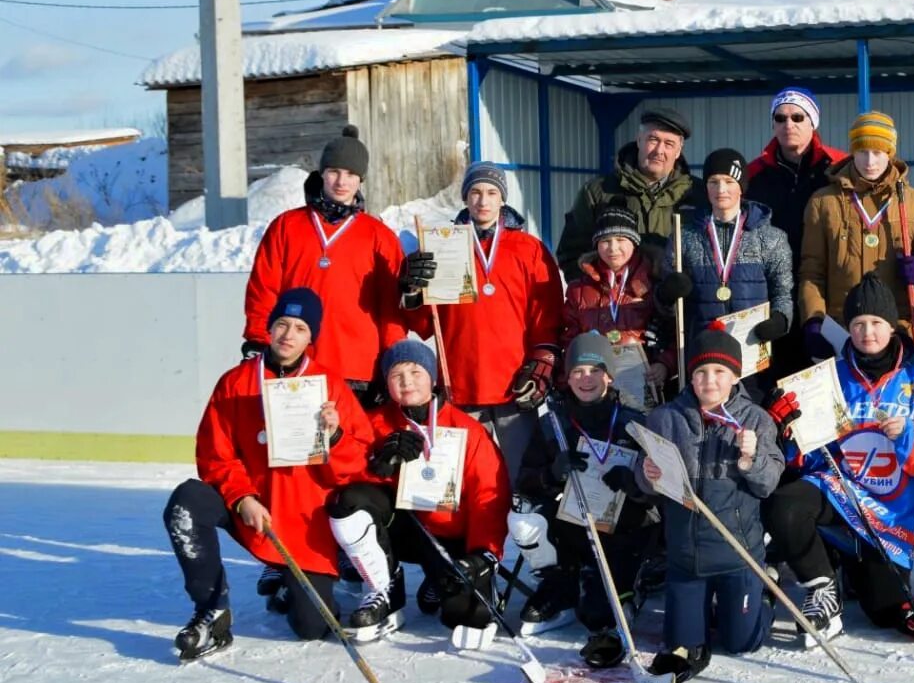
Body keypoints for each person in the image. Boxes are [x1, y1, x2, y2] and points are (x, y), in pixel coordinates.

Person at [162, 288, 374, 659]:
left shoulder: (330, 386)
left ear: (312, 337)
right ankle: (211, 611)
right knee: (187, 502)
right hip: (254, 512)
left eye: (300, 328)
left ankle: (288, 579)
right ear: (269, 328)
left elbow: (360, 464)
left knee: (312, 629)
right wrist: (242, 497)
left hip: (304, 524)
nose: (288, 335)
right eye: (281, 324)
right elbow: (214, 455)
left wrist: (336, 436)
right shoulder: (235, 382)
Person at [762, 274, 914, 646]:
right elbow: (800, 457)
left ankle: (857, 573)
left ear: (892, 325)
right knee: (786, 506)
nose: (868, 332)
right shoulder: (826, 377)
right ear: (847, 328)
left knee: (884, 610)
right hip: (839, 492)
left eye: (876, 323)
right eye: (858, 324)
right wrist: (786, 430)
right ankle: (822, 589)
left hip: (889, 517)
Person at [327, 339, 511, 641]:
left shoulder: (465, 428)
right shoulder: (375, 423)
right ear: (387, 384)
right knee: (352, 501)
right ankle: (384, 591)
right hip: (407, 528)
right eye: (396, 375)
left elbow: (489, 493)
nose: (407, 381)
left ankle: (440, 578)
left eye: (415, 372)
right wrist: (377, 464)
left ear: (433, 378)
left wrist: (483, 554)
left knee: (468, 617)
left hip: (451, 535)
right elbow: (342, 475)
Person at [636, 325, 783, 683]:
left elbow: (768, 485)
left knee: (741, 643)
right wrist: (647, 473)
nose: (709, 381)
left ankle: (761, 594)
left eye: (720, 372)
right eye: (701, 372)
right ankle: (701, 609)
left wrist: (751, 459)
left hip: (738, 555)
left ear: (735, 376)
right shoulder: (666, 418)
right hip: (686, 558)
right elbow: (642, 485)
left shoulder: (755, 420)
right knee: (681, 643)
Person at [399, 161, 563, 481]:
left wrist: (542, 359)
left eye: (491, 193)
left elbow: (547, 313)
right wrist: (413, 288)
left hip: (514, 384)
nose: (483, 201)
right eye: (475, 192)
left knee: (524, 477)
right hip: (460, 382)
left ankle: (525, 530)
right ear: (465, 198)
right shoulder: (441, 245)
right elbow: (421, 323)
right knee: (470, 479)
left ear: (502, 199)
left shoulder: (529, 249)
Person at [510, 332, 658, 666]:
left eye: (594, 370)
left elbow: (659, 491)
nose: (585, 379)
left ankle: (622, 598)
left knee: (594, 613)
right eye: (577, 371)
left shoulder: (634, 420)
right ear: (567, 376)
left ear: (609, 374)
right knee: (525, 520)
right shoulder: (555, 423)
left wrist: (634, 483)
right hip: (576, 524)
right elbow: (526, 481)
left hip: (624, 529)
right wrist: (552, 472)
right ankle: (560, 586)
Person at [242, 126, 406, 399]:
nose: (342, 181)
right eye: (334, 172)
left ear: (360, 181)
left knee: (353, 441)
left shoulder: (379, 235)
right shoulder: (286, 226)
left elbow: (390, 308)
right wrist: (259, 339)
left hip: (359, 369)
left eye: (351, 174)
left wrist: (394, 358)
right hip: (295, 362)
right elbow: (263, 290)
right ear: (321, 174)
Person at [796, 111, 914, 361]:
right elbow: (811, 271)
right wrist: (813, 320)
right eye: (862, 152)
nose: (869, 161)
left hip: (897, 329)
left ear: (890, 154)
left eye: (878, 153)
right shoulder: (823, 202)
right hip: (841, 329)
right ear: (852, 152)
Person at [656, 149, 792, 374]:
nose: (721, 190)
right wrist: (666, 295)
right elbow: (667, 308)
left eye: (729, 181)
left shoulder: (771, 237)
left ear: (741, 186)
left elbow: (783, 293)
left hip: (751, 353)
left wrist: (780, 319)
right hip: (702, 357)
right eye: (713, 182)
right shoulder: (684, 236)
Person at [745, 88, 847, 375]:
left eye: (797, 117)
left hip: (825, 288)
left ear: (812, 122)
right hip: (773, 290)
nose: (788, 124)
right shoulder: (754, 174)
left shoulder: (839, 168)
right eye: (780, 118)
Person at [556, 107, 700, 278]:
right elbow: (571, 254)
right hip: (617, 303)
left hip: (679, 302)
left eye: (669, 144)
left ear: (678, 152)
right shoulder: (598, 192)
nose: (659, 151)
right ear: (639, 140)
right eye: (653, 140)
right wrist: (597, 292)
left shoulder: (697, 194)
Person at [559, 201, 672, 395]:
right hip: (595, 388)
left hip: (645, 383)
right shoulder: (579, 289)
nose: (613, 248)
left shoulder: (655, 283)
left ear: (634, 242)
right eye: (605, 241)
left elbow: (674, 331)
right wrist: (568, 380)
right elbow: (569, 340)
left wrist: (665, 365)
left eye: (621, 239)